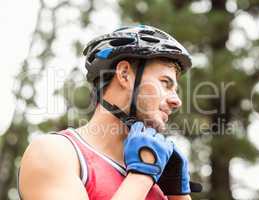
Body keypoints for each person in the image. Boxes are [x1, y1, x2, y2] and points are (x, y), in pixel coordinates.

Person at [18, 25, 202, 200]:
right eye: (165, 83)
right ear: (124, 74)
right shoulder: (54, 153)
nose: (176, 101)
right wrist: (142, 174)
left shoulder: (156, 180)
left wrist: (178, 193)